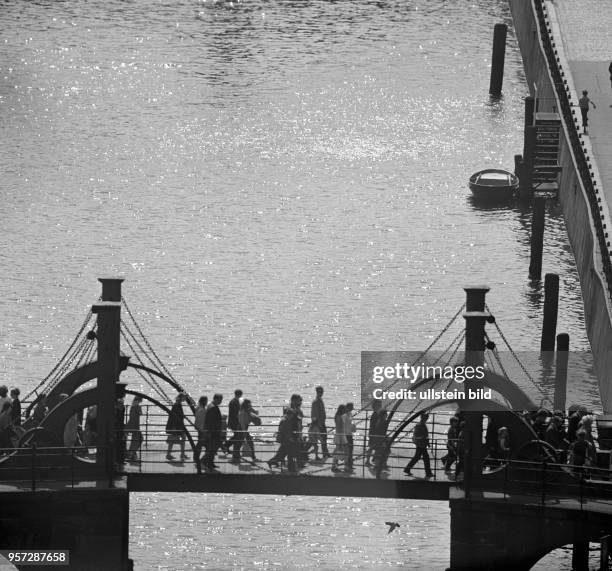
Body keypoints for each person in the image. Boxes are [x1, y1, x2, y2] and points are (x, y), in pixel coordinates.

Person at [404, 412, 433, 478]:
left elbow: (423, 435)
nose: (426, 419)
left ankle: (407, 469)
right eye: (426, 418)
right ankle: (428, 473)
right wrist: (423, 439)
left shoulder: (421, 425)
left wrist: (427, 443)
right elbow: (416, 435)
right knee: (425, 458)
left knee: (417, 457)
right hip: (421, 444)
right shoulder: (420, 425)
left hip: (422, 444)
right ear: (423, 418)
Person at [203, 393, 223, 471]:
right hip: (213, 432)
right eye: (220, 399)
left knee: (213, 448)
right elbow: (211, 422)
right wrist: (211, 432)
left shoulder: (210, 405)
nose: (221, 401)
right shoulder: (213, 408)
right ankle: (206, 462)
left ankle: (210, 463)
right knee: (212, 448)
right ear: (215, 399)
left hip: (213, 431)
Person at [166, 394, 188, 461]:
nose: (185, 399)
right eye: (184, 397)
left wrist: (182, 416)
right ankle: (180, 453)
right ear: (181, 397)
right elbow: (174, 416)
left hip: (178, 424)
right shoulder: (177, 405)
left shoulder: (178, 404)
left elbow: (177, 414)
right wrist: (174, 427)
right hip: (176, 425)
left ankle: (173, 454)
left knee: (178, 438)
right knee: (175, 439)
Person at [311, 386, 330, 459]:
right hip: (318, 423)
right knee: (322, 438)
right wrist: (318, 424)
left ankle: (325, 453)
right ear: (317, 392)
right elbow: (315, 414)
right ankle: (324, 453)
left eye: (322, 392)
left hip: (322, 422)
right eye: (319, 392)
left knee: (324, 438)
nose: (321, 393)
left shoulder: (320, 400)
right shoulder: (315, 402)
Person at [365, 399, 382, 467]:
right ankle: (368, 461)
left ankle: (372, 460)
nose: (380, 406)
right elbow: (374, 425)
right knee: (371, 447)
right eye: (379, 405)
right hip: (374, 433)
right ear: (376, 406)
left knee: (373, 447)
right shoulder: (375, 414)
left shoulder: (376, 414)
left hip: (374, 433)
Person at [126, 396, 144, 462]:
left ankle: (131, 453)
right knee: (140, 438)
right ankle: (131, 453)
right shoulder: (136, 407)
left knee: (135, 439)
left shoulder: (133, 407)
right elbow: (136, 416)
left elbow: (133, 416)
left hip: (134, 425)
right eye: (139, 401)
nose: (140, 402)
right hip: (135, 426)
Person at [331, 404, 348, 472]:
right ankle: (335, 465)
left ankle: (335, 465)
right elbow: (338, 427)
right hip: (339, 434)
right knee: (339, 450)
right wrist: (341, 438)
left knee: (338, 450)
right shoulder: (338, 416)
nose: (345, 411)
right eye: (344, 409)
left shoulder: (340, 416)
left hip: (341, 434)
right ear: (341, 409)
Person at [226, 389, 243, 456]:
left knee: (236, 435)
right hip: (235, 422)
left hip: (232, 421)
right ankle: (226, 445)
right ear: (240, 395)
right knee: (237, 436)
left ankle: (226, 446)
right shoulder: (235, 402)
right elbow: (236, 414)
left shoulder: (233, 401)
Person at [193, 396, 208, 467]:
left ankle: (196, 458)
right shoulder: (202, 410)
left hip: (199, 428)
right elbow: (202, 421)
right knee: (207, 446)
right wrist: (204, 430)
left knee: (200, 444)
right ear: (204, 401)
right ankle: (202, 461)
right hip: (202, 429)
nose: (207, 402)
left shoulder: (198, 408)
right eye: (206, 401)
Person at [343, 402, 355, 472]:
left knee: (351, 450)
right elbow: (343, 425)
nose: (351, 410)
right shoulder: (344, 415)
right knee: (347, 451)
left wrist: (353, 425)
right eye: (350, 409)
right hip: (346, 435)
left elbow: (350, 422)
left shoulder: (350, 414)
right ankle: (346, 466)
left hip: (350, 434)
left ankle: (350, 465)